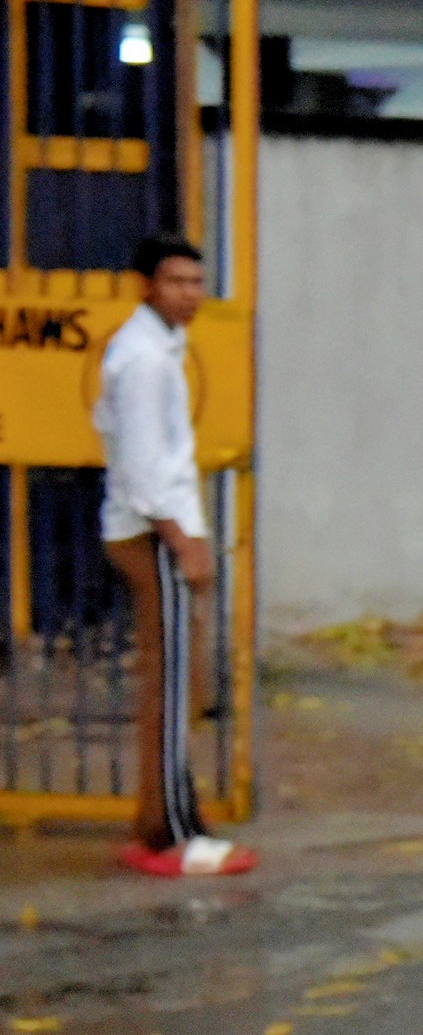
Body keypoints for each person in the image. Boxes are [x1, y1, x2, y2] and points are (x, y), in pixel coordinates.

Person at [96, 232, 252, 877]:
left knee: (178, 683)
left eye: (196, 282)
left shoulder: (161, 346)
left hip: (158, 529)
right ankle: (169, 838)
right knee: (169, 687)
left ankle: (164, 822)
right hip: (152, 534)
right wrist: (183, 542)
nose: (189, 294)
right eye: (175, 282)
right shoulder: (144, 359)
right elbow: (142, 466)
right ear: (146, 286)